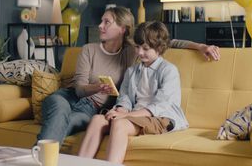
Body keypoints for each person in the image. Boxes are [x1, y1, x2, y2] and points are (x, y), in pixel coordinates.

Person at [36, 7, 219, 147]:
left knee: (65, 123)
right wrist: (98, 87)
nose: (100, 26)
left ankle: (39, 156)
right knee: (59, 109)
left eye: (107, 22)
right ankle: (41, 160)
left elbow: (165, 42)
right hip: (69, 97)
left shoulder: (133, 51)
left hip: (90, 109)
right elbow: (79, 88)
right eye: (102, 21)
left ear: (122, 29)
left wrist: (201, 46)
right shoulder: (89, 50)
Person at [77, 21, 188, 163]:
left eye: (146, 48)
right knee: (98, 120)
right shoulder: (132, 71)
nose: (140, 52)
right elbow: (125, 98)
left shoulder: (168, 70)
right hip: (136, 115)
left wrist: (126, 116)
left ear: (159, 48)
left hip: (160, 117)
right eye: (137, 47)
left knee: (119, 124)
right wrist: (120, 110)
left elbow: (159, 106)